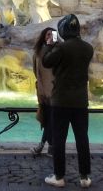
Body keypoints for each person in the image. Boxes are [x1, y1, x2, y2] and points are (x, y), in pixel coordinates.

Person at [41, 14, 94, 188]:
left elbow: (47, 62)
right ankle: (85, 177)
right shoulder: (88, 48)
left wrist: (50, 46)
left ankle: (59, 176)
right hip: (80, 100)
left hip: (61, 100)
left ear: (63, 30)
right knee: (82, 139)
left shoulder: (62, 48)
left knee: (59, 139)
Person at [32, 27, 55, 155]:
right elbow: (35, 71)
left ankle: (43, 146)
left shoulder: (57, 51)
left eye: (53, 35)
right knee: (47, 119)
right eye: (47, 35)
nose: (50, 37)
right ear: (43, 36)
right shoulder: (38, 52)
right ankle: (49, 147)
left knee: (49, 120)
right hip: (43, 91)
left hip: (54, 91)